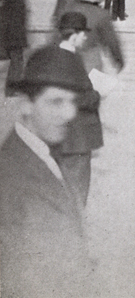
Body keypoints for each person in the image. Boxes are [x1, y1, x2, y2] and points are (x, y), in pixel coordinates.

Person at [0, 45, 92, 297]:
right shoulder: (10, 177)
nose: (69, 113)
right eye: (55, 102)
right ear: (27, 104)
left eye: (72, 101)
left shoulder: (45, 151)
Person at [47, 12, 104, 209]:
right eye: (83, 34)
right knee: (76, 194)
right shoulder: (68, 60)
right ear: (73, 35)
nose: (85, 37)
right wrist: (97, 94)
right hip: (75, 140)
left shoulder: (57, 55)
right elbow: (75, 98)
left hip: (64, 138)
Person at [63, 0, 126, 77]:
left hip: (66, 62)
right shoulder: (100, 14)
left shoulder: (65, 10)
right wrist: (119, 61)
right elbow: (111, 41)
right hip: (90, 62)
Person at [0, 0, 28, 94]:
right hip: (15, 36)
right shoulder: (18, 2)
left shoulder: (4, 6)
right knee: (17, 61)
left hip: (5, 34)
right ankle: (11, 89)